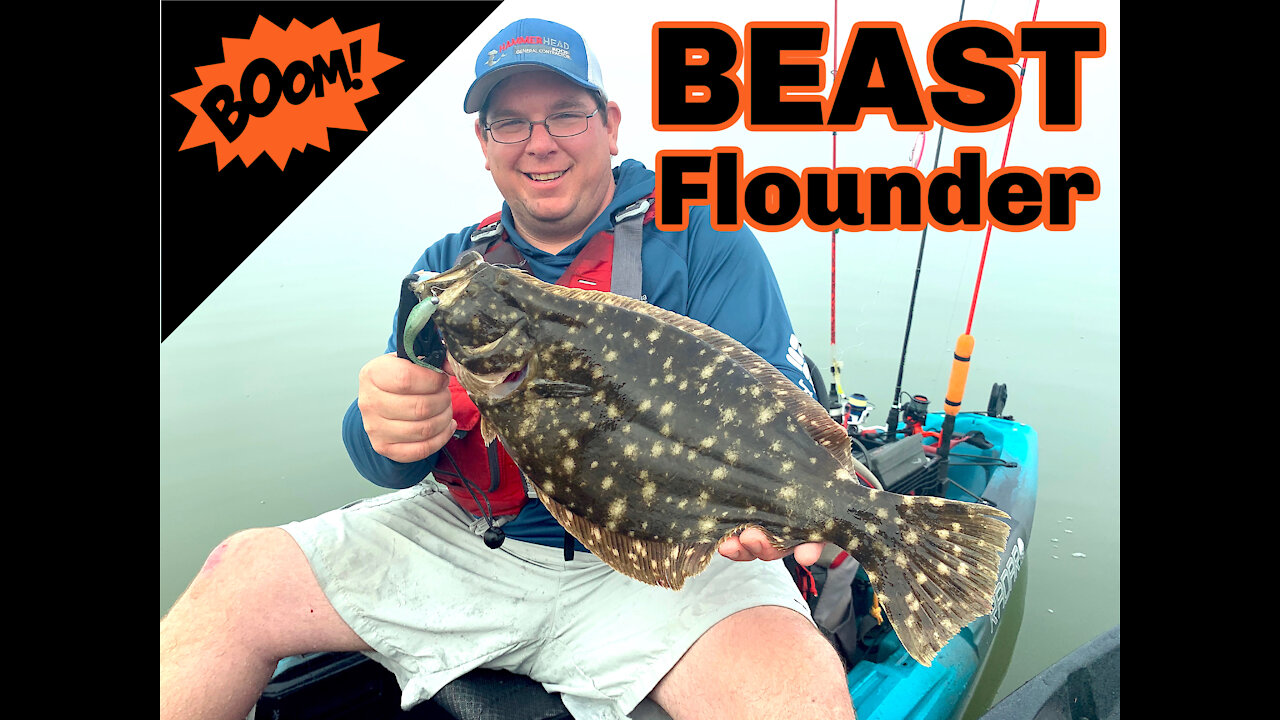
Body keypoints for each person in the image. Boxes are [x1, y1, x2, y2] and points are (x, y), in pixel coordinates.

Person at [160, 18, 856, 720]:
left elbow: (779, 392)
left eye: (566, 116)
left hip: (665, 567)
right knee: (236, 577)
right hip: (468, 541)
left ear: (611, 126)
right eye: (510, 124)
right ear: (484, 145)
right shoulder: (447, 268)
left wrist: (800, 499)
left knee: (797, 694)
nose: (540, 142)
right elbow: (392, 461)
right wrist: (378, 424)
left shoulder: (704, 237)